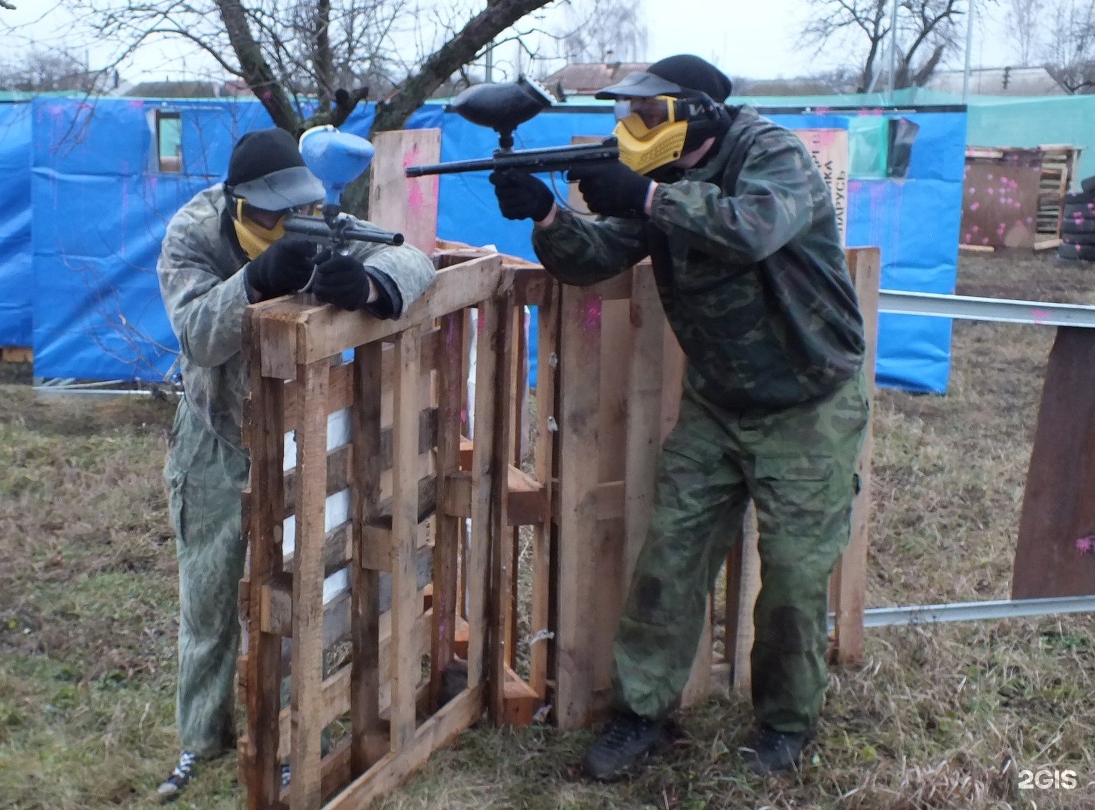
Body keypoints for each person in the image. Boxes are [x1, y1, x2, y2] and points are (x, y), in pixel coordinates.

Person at [487, 54, 868, 777]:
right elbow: (599, 255)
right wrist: (546, 213)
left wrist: (647, 198)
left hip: (809, 403)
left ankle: (786, 723)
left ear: (696, 113)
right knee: (669, 559)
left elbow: (753, 228)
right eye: (626, 114)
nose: (632, 127)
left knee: (791, 577)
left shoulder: (770, 154)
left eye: (647, 113)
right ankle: (642, 714)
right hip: (718, 403)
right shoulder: (662, 182)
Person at [153, 127, 435, 800]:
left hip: (295, 441)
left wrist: (367, 285)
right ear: (237, 203)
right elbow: (196, 332)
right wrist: (252, 281)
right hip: (216, 433)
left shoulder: (320, 220)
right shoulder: (193, 233)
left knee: (288, 593)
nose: (288, 228)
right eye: (271, 218)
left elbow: (413, 260)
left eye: (294, 214)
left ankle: (279, 734)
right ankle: (200, 737)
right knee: (210, 593)